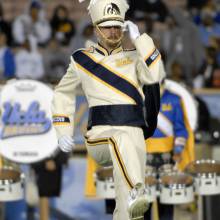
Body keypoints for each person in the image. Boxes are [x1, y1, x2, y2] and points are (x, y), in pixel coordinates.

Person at [51, 0, 164, 219]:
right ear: (96, 29)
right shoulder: (81, 59)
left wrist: (141, 40)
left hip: (134, 138)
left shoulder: (135, 56)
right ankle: (136, 190)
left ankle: (132, 196)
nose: (112, 32)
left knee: (130, 210)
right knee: (120, 141)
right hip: (100, 136)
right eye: (106, 26)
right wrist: (63, 129)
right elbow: (62, 93)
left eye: (116, 26)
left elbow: (155, 75)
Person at [144, 77, 195, 220]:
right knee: (143, 205)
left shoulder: (174, 99)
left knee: (166, 205)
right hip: (143, 158)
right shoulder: (139, 98)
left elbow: (180, 129)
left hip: (167, 158)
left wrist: (178, 150)